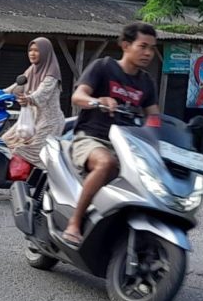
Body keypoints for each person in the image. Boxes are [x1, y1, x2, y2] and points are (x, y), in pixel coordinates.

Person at [62, 22, 160, 247]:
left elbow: (154, 117)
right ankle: (75, 222)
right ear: (126, 45)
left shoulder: (146, 82)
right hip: (92, 137)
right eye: (142, 46)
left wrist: (164, 133)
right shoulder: (103, 67)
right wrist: (98, 101)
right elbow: (78, 97)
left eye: (152, 48)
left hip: (127, 145)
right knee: (107, 164)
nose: (148, 53)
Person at [1, 36, 65, 167]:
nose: (32, 53)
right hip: (31, 120)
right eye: (30, 50)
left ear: (45, 52)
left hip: (49, 122)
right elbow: (17, 87)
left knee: (28, 150)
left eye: (37, 50)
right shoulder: (31, 70)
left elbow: (43, 93)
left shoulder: (52, 73)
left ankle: (38, 182)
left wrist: (30, 98)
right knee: (5, 141)